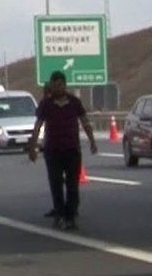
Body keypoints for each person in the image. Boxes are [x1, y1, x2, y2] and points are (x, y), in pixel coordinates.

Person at [25, 71, 98, 230]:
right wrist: (33, 147)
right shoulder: (46, 104)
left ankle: (70, 216)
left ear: (65, 85)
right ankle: (59, 213)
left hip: (72, 150)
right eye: (55, 85)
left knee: (73, 185)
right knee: (56, 183)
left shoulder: (74, 102)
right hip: (53, 151)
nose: (58, 88)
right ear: (51, 86)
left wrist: (92, 141)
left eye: (60, 85)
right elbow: (38, 126)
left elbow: (85, 122)